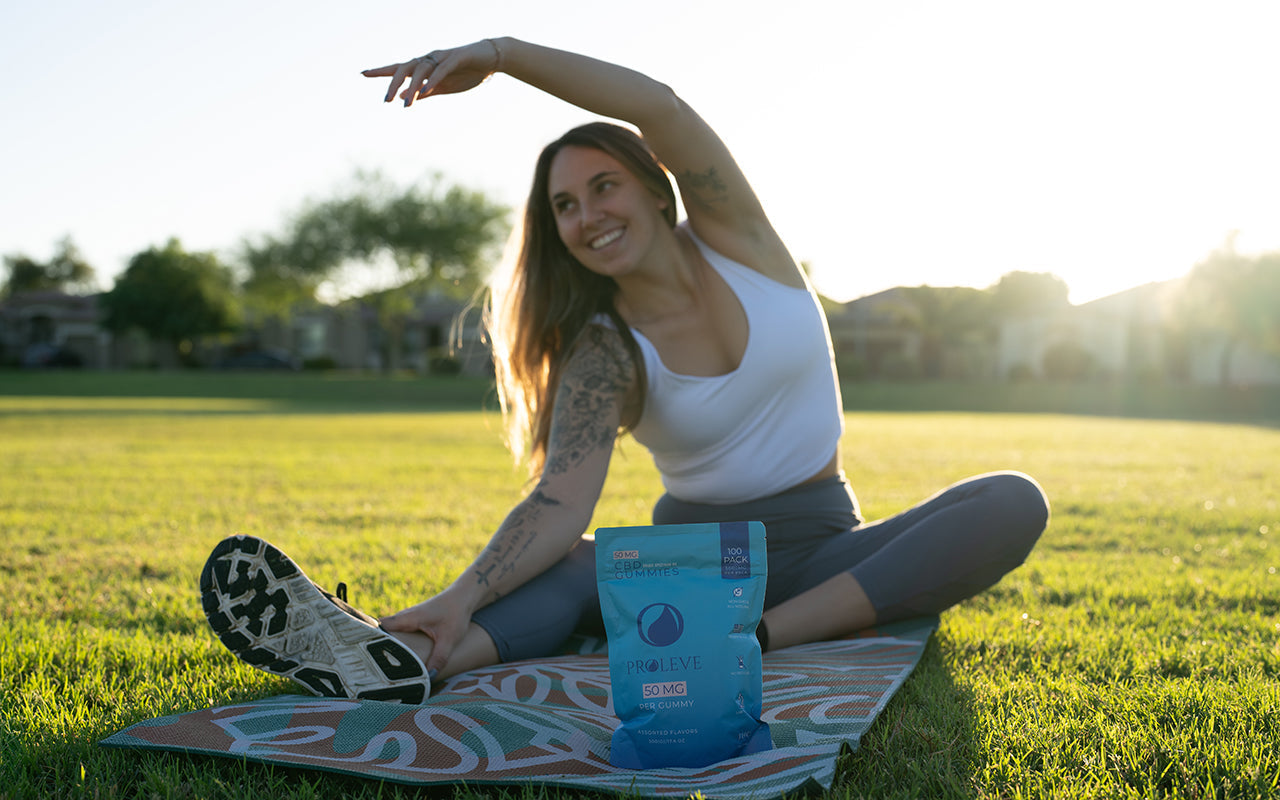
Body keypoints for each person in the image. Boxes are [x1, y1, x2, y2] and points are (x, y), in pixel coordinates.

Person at [201, 37, 1050, 704]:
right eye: (564, 207)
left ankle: (753, 643)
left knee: (1010, 499)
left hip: (823, 545)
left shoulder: (742, 241)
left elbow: (659, 104)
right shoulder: (605, 350)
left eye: (603, 187)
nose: (586, 217)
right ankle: (415, 658)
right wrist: (460, 595)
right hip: (698, 563)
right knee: (579, 562)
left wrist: (500, 54)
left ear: (655, 185)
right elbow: (559, 500)